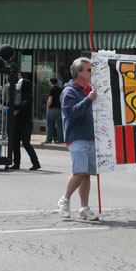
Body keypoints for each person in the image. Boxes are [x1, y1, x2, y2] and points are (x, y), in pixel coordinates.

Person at [57, 57, 99, 221]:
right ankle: (65, 199)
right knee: (80, 171)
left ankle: (84, 208)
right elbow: (71, 113)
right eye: (89, 70)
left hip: (91, 136)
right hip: (77, 136)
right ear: (79, 73)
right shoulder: (69, 91)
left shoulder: (89, 88)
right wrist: (88, 100)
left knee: (86, 174)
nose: (91, 72)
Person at [11, 74, 41, 171]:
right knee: (15, 143)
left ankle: (36, 163)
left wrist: (12, 106)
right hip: (17, 122)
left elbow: (23, 106)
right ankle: (16, 163)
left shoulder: (28, 96)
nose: (18, 85)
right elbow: (14, 105)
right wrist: (1, 101)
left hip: (25, 123)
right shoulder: (19, 95)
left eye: (20, 83)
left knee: (26, 143)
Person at [44, 77, 63, 144]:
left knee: (50, 125)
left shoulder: (51, 89)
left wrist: (47, 107)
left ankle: (49, 139)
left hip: (52, 108)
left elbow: (50, 100)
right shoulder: (60, 89)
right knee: (59, 125)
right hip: (59, 109)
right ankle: (60, 140)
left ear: (51, 82)